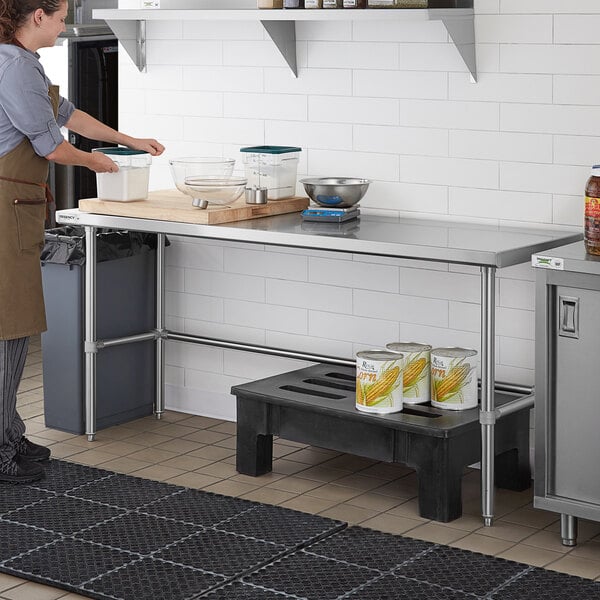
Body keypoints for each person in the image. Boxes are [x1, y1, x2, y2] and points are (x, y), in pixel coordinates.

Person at [0, 0, 165, 483]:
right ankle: (1, 450)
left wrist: (127, 140)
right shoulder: (14, 67)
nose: (66, 24)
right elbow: (49, 145)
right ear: (37, 16)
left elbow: (70, 115)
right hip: (5, 212)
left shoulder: (23, 64)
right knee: (10, 329)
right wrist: (101, 164)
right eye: (60, 16)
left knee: (12, 328)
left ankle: (8, 433)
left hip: (15, 208)